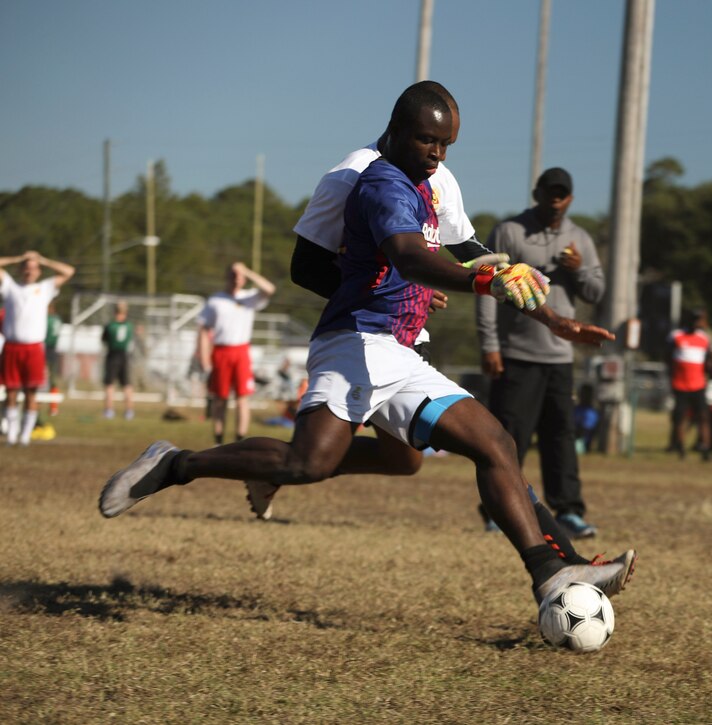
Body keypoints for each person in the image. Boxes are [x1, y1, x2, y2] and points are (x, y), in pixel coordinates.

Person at [99, 84, 635, 607]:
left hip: (398, 344)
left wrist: (551, 319)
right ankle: (176, 464)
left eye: (447, 145)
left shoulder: (430, 177)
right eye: (429, 141)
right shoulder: (365, 180)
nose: (438, 155)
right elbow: (371, 259)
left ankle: (554, 571)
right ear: (397, 130)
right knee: (309, 461)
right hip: (355, 337)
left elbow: (468, 252)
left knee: (467, 448)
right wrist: (410, 285)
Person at [476, 167, 605, 538]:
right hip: (516, 353)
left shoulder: (579, 238)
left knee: (561, 437)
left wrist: (579, 271)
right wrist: (490, 344)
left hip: (560, 357)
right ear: (537, 193)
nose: (555, 199)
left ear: (570, 199)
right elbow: (486, 286)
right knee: (508, 437)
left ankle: (568, 512)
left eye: (562, 194)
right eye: (549, 192)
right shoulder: (510, 231)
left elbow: (595, 293)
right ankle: (497, 509)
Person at [0, 251, 75, 446]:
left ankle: (25, 435)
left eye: (33, 268)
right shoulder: (10, 286)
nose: (29, 270)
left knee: (31, 392)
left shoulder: (44, 288)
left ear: (39, 271)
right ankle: (12, 433)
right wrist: (18, 258)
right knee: (11, 392)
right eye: (26, 267)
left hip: (33, 348)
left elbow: (68, 271)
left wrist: (43, 259)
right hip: (12, 347)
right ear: (20, 269)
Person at [196, 262, 276, 445]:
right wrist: (204, 356)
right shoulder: (215, 300)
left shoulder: (249, 298)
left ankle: (240, 440)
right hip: (221, 352)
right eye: (233, 274)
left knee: (242, 398)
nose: (236, 278)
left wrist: (246, 270)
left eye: (240, 275)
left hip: (241, 352)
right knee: (220, 399)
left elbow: (270, 289)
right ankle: (218, 440)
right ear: (227, 276)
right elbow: (203, 329)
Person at [666, 309, 712, 461]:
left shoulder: (704, 338)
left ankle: (705, 449)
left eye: (699, 320)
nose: (697, 323)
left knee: (703, 417)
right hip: (680, 385)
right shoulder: (676, 336)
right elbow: (667, 358)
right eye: (695, 319)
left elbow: (708, 360)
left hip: (698, 385)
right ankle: (680, 448)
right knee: (680, 418)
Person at [102, 301, 136, 420]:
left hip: (112, 355)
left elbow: (104, 340)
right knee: (126, 384)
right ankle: (129, 411)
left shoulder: (110, 326)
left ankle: (109, 410)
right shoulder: (129, 326)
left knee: (109, 385)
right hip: (124, 356)